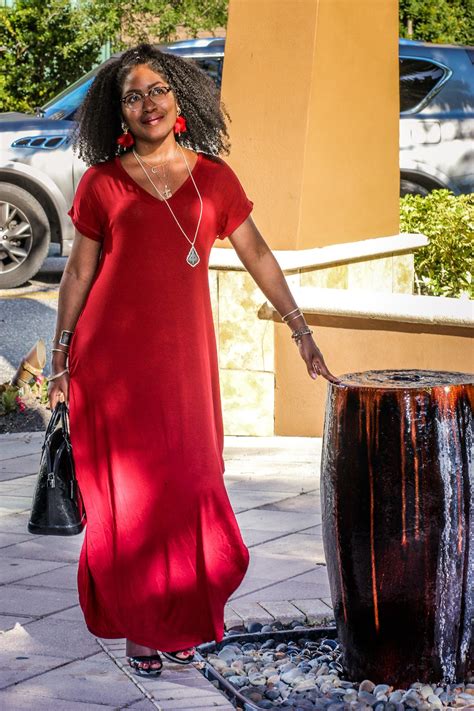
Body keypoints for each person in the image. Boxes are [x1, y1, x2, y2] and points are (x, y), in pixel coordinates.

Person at [47, 43, 340, 678]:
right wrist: (60, 354)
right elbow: (77, 273)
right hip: (111, 363)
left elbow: (258, 253)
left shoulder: (216, 180)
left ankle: (178, 614)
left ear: (180, 98)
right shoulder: (103, 183)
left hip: (183, 365)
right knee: (128, 497)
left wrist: (300, 327)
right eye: (132, 96)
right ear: (118, 114)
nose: (147, 102)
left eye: (157, 89)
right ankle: (145, 631)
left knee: (187, 486)